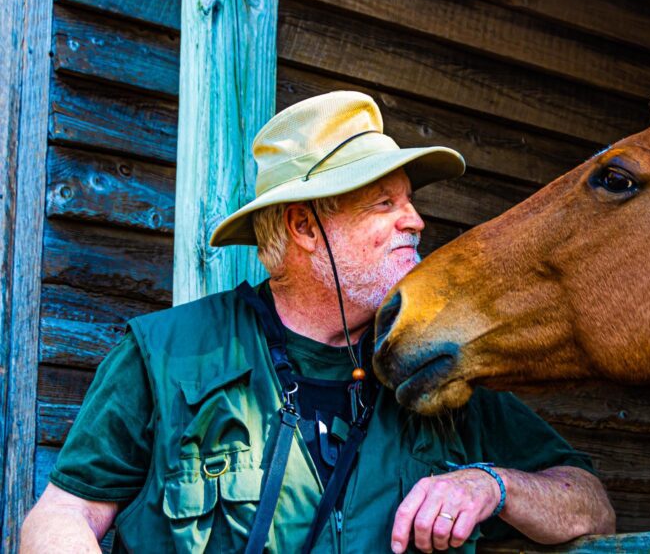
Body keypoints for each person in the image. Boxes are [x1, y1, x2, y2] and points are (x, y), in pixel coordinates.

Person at [20, 91, 615, 553]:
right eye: (384, 203)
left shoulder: (435, 364)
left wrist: (492, 485)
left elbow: (590, 504)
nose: (415, 222)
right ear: (305, 229)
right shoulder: (164, 355)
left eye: (410, 201)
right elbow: (64, 513)